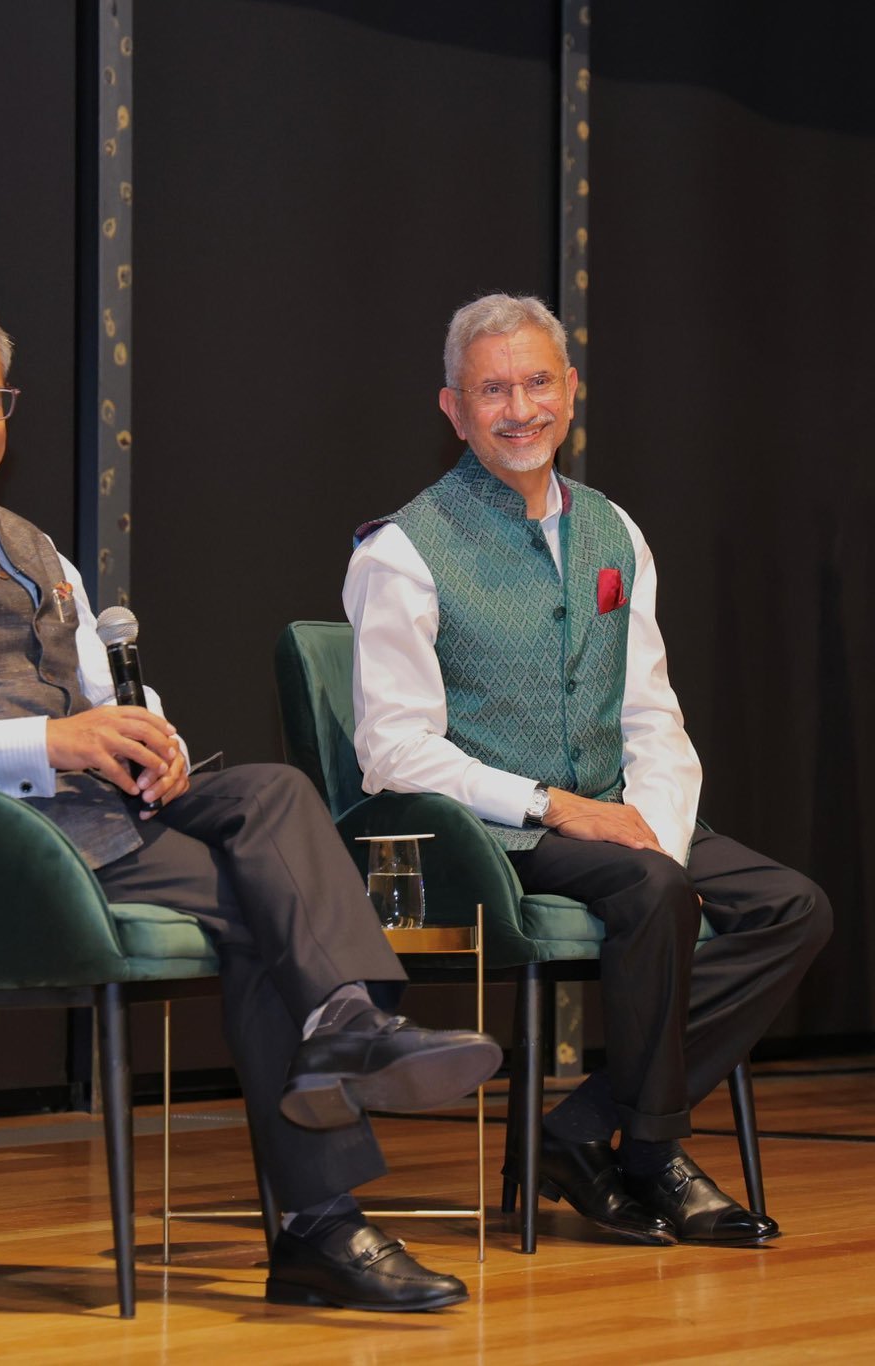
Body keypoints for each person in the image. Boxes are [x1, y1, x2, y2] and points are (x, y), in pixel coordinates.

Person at [0, 288, 502, 1312]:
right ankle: (321, 1214)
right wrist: (50, 740)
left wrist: (144, 732)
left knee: (271, 795)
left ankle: (346, 1029)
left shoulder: (29, 548)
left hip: (93, 815)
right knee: (265, 902)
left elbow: (102, 691)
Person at [343, 293, 831, 1247]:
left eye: (536, 383)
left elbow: (652, 711)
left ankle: (575, 1128)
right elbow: (392, 752)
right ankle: (652, 1154)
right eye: (492, 389)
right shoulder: (402, 550)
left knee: (794, 907)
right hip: (487, 830)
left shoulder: (616, 532)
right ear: (453, 409)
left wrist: (657, 825)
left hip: (617, 823)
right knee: (649, 887)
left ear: (571, 391)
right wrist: (556, 806)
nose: (519, 408)